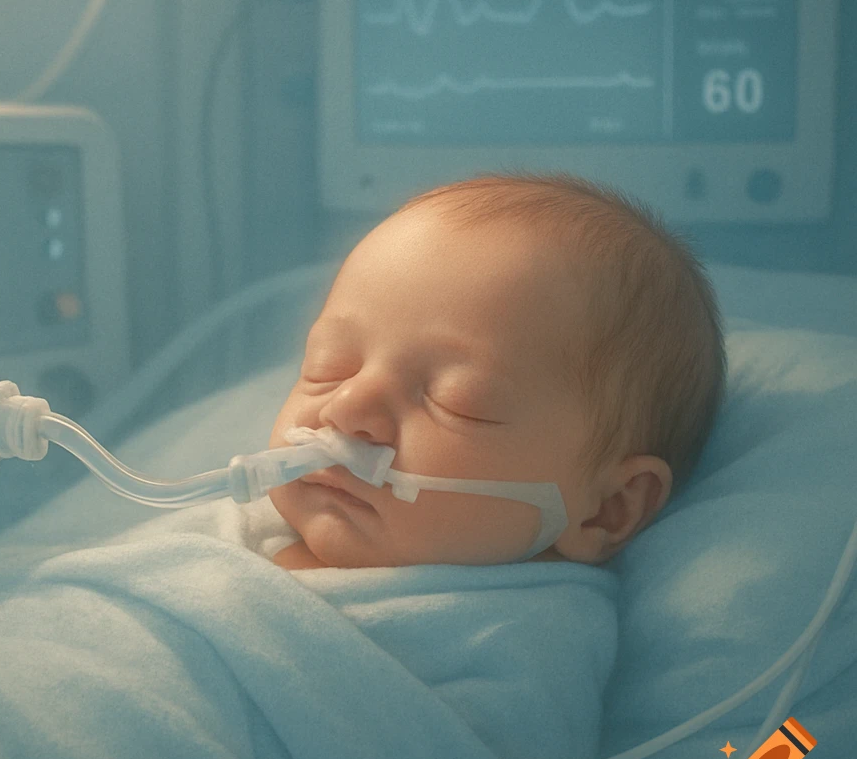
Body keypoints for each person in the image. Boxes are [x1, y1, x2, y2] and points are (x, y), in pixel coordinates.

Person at [266, 171, 727, 570]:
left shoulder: (511, 626)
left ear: (607, 508)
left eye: (455, 401)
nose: (346, 408)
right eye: (328, 367)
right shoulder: (246, 523)